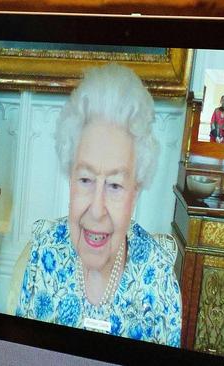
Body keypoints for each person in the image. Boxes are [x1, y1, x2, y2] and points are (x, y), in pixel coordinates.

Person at [15, 64, 182, 347]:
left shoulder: (158, 281)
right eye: (85, 179)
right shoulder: (43, 256)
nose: (96, 209)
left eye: (115, 185)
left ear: (136, 191)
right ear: (70, 179)